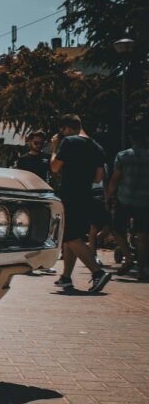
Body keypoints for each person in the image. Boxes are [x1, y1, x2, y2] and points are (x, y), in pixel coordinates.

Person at [50, 113, 111, 292]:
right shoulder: (97, 147)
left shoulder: (68, 142)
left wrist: (55, 148)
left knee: (69, 237)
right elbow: (98, 177)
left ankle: (98, 272)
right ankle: (66, 277)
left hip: (69, 194)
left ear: (67, 128)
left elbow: (54, 167)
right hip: (86, 195)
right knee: (73, 237)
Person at [107, 122, 149, 280]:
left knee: (117, 230)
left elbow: (115, 179)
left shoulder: (123, 156)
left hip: (124, 198)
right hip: (144, 201)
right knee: (143, 236)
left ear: (131, 138)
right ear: (145, 138)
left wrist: (108, 196)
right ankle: (141, 270)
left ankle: (128, 257)